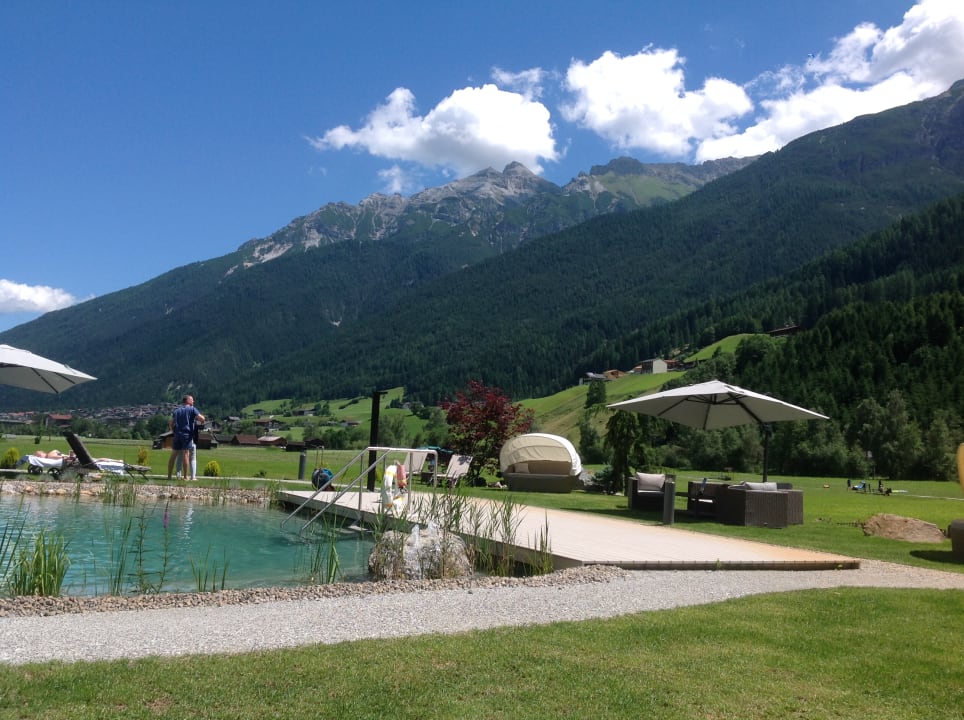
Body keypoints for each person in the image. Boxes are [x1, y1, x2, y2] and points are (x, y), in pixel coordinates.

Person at [167, 395, 205, 481]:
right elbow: (201, 418)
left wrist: (173, 431)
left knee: (173, 455)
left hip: (177, 434)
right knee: (186, 454)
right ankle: (185, 476)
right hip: (187, 435)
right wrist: (203, 420)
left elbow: (171, 423)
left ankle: (169, 476)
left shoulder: (177, 411)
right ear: (188, 401)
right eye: (192, 400)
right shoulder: (192, 409)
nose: (193, 402)